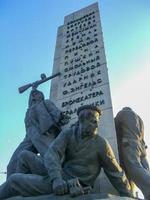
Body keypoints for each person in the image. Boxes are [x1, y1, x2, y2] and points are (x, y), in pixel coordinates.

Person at [0, 105, 133, 199]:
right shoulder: (69, 134)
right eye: (93, 122)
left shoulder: (101, 143)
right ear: (82, 120)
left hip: (72, 185)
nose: (97, 125)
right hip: (60, 177)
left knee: (13, 180)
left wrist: (128, 195)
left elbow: (116, 172)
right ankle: (18, 195)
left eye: (97, 122)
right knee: (24, 156)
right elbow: (53, 154)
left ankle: (17, 190)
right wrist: (56, 178)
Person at [7, 88, 70, 178]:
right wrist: (33, 88)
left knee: (53, 159)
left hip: (44, 133)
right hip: (29, 138)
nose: (34, 95)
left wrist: (60, 117)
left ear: (41, 96)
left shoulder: (45, 103)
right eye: (33, 94)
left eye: (36, 93)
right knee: (13, 163)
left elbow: (55, 112)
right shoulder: (28, 111)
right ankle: (11, 187)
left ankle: (61, 179)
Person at [115, 107, 150, 199]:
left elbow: (114, 125)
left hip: (130, 144)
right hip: (142, 148)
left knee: (134, 168)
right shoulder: (139, 119)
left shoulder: (122, 114)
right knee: (145, 170)